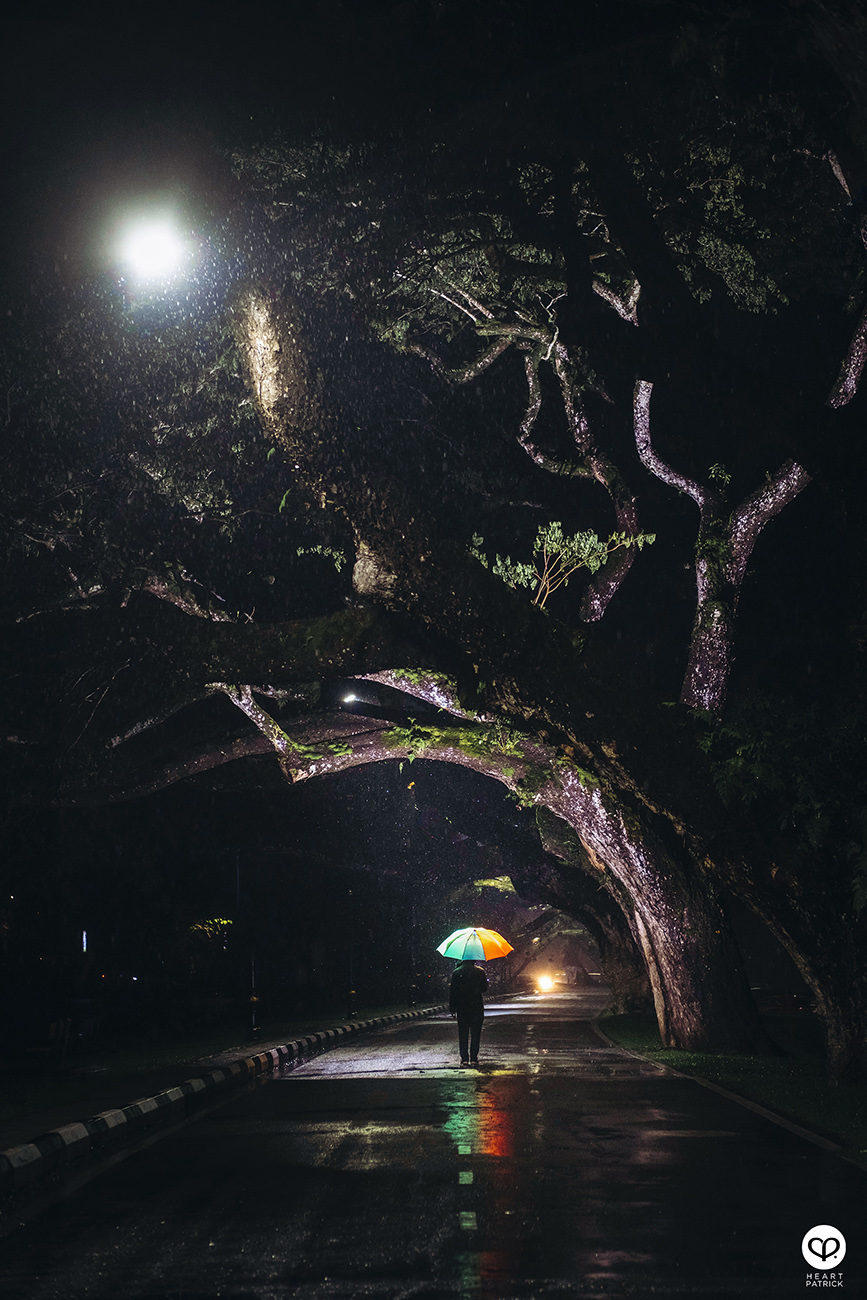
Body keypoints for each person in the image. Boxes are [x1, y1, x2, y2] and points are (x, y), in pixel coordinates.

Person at [449, 959, 488, 1066]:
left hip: (462, 1006)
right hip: (476, 1006)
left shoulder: (457, 972)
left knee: (463, 1033)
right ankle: (474, 1058)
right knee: (476, 1033)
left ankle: (464, 1058)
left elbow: (453, 991)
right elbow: (484, 988)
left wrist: (452, 1007)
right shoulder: (480, 972)